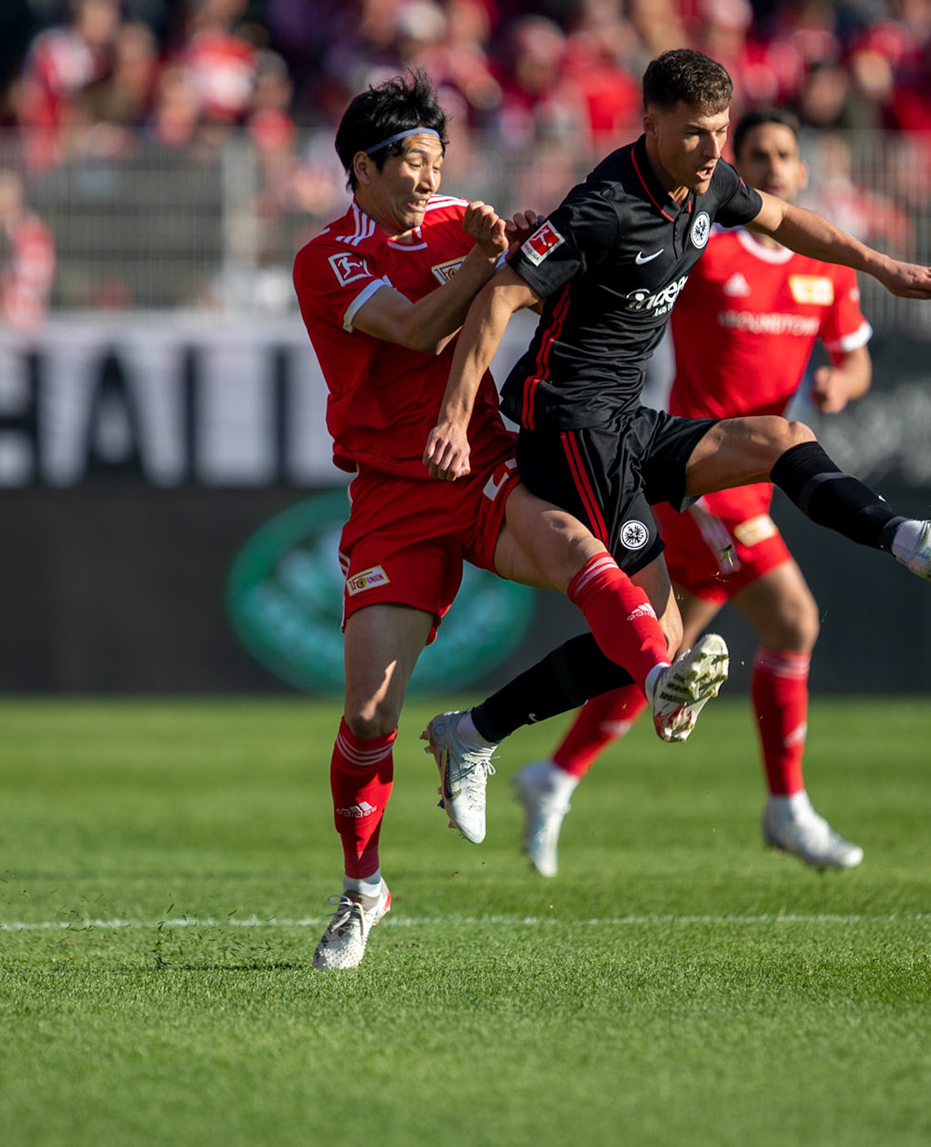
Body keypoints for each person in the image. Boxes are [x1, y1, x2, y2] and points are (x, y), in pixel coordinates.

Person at [423, 48, 931, 785]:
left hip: (628, 420)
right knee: (652, 641)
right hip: (567, 426)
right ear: (651, 123)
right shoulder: (602, 205)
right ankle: (476, 733)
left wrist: (885, 267)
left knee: (783, 438)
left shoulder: (709, 186)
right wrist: (452, 415)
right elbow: (500, 295)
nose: (712, 151)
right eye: (695, 132)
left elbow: (789, 220)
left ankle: (909, 538)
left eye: (720, 131)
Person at [295, 71, 729, 971]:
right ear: (361, 168)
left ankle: (659, 680)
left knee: (584, 552)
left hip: (484, 466)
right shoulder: (327, 258)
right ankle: (363, 888)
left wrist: (518, 252)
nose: (427, 178)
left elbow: (531, 272)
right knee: (370, 715)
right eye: (410, 163)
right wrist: (487, 263)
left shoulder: (463, 219)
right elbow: (417, 329)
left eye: (436, 161)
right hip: (392, 495)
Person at [510, 106, 878, 875]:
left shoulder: (824, 270)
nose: (774, 166)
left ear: (803, 170)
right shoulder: (705, 247)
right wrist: (539, 251)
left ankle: (552, 772)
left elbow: (853, 356)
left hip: (755, 470)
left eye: (786, 153)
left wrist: (844, 378)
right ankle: (787, 807)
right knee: (793, 622)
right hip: (697, 474)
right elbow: (611, 278)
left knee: (659, 647)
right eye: (760, 156)